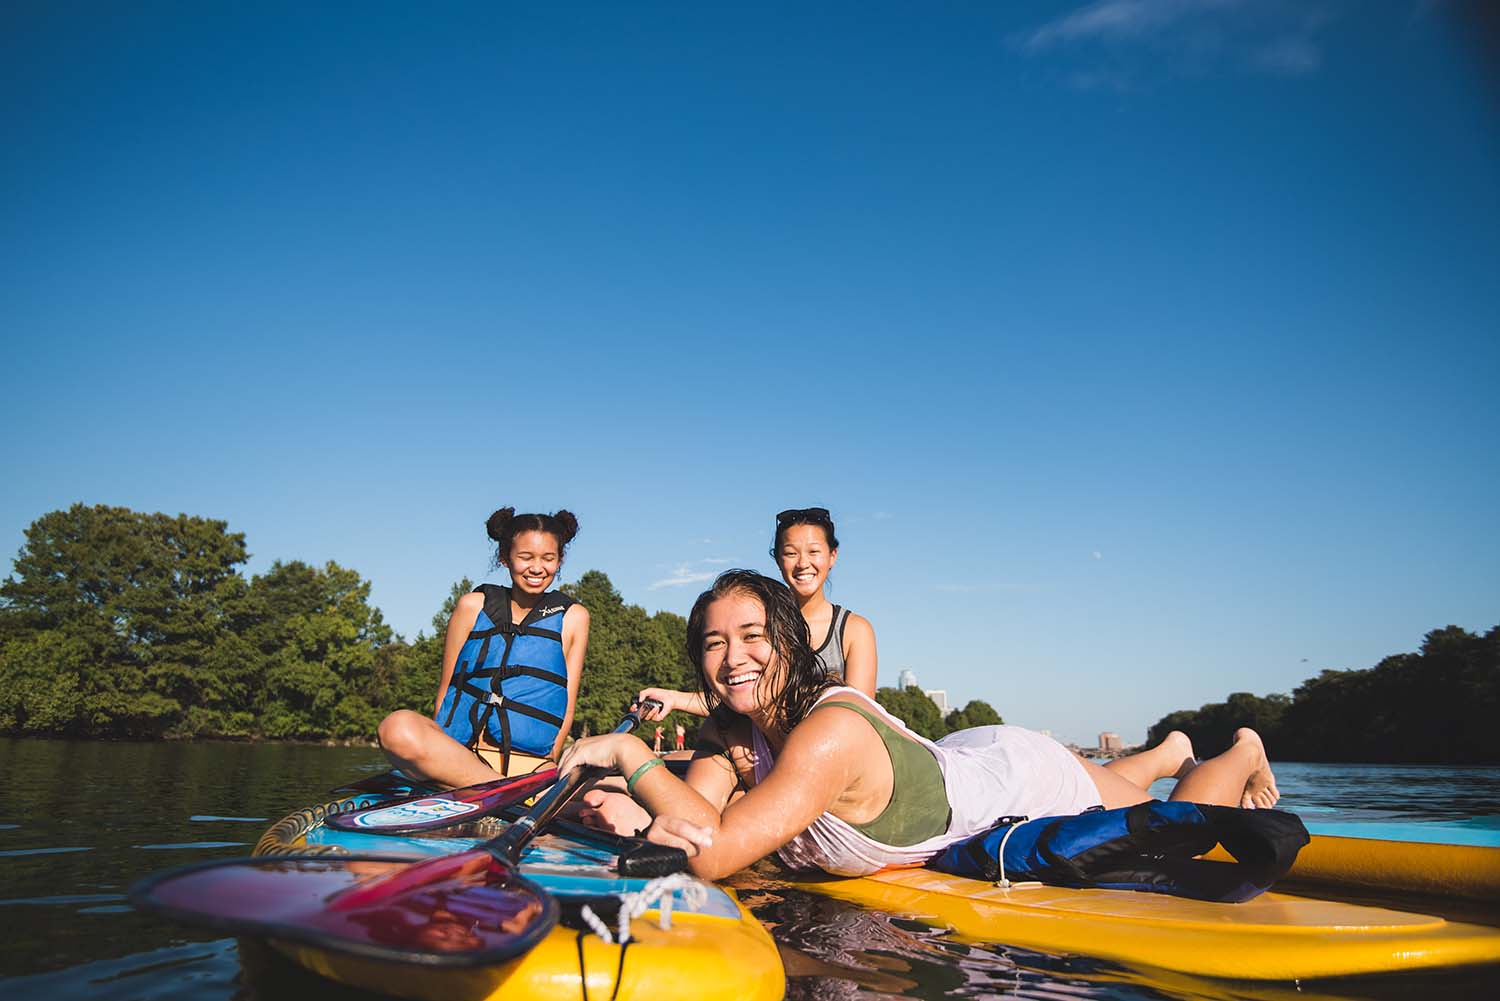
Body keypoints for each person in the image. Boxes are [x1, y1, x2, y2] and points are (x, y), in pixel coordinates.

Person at [562, 570, 1278, 881]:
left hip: (1011, 775)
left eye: (752, 635)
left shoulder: (827, 732)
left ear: (788, 643)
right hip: (948, 759)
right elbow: (699, 822)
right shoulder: (731, 734)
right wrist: (634, 804)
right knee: (1119, 786)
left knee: (1181, 816)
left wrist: (630, 753)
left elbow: (714, 854)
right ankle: (1163, 749)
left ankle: (1234, 747)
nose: (732, 657)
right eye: (713, 643)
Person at [376, 508, 589, 787]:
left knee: (607, 801)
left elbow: (567, 705)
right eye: (525, 557)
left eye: (548, 559)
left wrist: (550, 764)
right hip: (461, 758)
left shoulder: (574, 617)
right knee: (396, 727)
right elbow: (447, 690)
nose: (537, 568)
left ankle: (506, 792)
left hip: (529, 767)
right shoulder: (472, 605)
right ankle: (499, 791)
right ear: (505, 558)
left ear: (559, 561)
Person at [636, 507, 877, 718]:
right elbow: (739, 693)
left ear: (832, 556)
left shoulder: (854, 630)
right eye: (791, 553)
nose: (803, 563)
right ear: (777, 559)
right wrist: (674, 698)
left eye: (814, 552)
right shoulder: (756, 623)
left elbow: (859, 717)